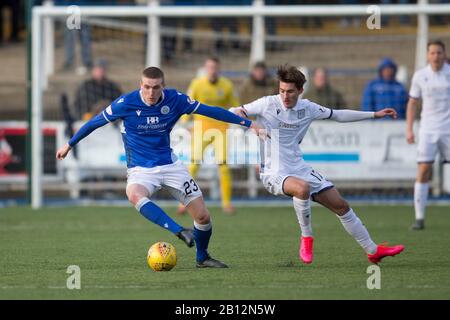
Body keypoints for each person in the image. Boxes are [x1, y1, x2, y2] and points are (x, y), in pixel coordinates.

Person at [56, 66, 265, 268]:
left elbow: (210, 111)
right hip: (141, 169)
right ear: (140, 85)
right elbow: (94, 122)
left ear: (163, 86)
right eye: (146, 86)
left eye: (156, 87)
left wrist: (248, 123)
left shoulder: (176, 99)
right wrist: (69, 144)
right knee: (134, 194)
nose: (151, 92)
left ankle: (202, 258)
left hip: (170, 165)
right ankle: (179, 230)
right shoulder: (126, 103)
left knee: (203, 216)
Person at [230, 64, 405, 265]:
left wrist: (373, 114)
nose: (285, 96)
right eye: (281, 91)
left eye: (290, 92)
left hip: (299, 167)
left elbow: (338, 115)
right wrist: (250, 123)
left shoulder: (309, 108)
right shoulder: (267, 104)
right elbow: (235, 111)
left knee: (341, 205)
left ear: (300, 91)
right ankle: (307, 238)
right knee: (302, 189)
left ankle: (373, 250)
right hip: (273, 171)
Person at [179, 57, 240, 215]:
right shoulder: (197, 84)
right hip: (201, 129)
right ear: (206, 69)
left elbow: (234, 105)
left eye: (215, 67)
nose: (212, 70)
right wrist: (185, 122)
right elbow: (188, 103)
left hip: (221, 130)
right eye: (209, 67)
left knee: (224, 166)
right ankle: (184, 203)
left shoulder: (226, 85)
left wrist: (241, 121)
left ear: (218, 69)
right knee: (193, 165)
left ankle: (227, 203)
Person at [406, 40, 450, 230]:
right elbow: (412, 103)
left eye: (439, 53)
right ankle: (420, 218)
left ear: (444, 54)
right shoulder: (420, 75)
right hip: (428, 129)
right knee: (423, 170)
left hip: (448, 128)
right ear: (427, 55)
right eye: (432, 53)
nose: (436, 56)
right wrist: (409, 128)